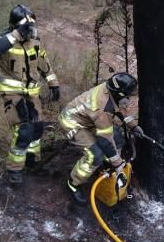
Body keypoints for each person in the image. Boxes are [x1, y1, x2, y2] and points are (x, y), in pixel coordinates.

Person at [0, 5, 60, 187]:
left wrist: (53, 84)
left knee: (37, 128)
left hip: (32, 94)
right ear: (16, 26)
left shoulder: (34, 41)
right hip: (13, 94)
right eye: (27, 27)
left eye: (32, 26)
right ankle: (14, 170)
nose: (31, 30)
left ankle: (31, 160)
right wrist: (17, 34)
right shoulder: (5, 40)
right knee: (24, 130)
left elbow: (43, 63)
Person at [58, 72, 143, 205]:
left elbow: (120, 109)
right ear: (120, 93)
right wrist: (118, 164)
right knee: (95, 155)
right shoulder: (102, 107)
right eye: (127, 95)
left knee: (119, 141)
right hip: (72, 122)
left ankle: (105, 167)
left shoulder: (111, 91)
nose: (129, 98)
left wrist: (133, 126)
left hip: (89, 119)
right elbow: (105, 140)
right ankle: (73, 183)